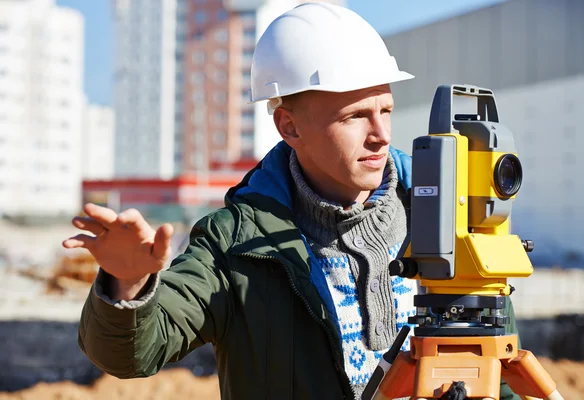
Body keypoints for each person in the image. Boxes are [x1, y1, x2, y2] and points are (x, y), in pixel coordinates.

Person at [63, 3, 520, 399]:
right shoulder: (237, 242)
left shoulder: (447, 216)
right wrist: (126, 285)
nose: (380, 135)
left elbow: (497, 369)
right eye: (355, 116)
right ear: (289, 127)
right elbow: (133, 355)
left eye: (385, 109)